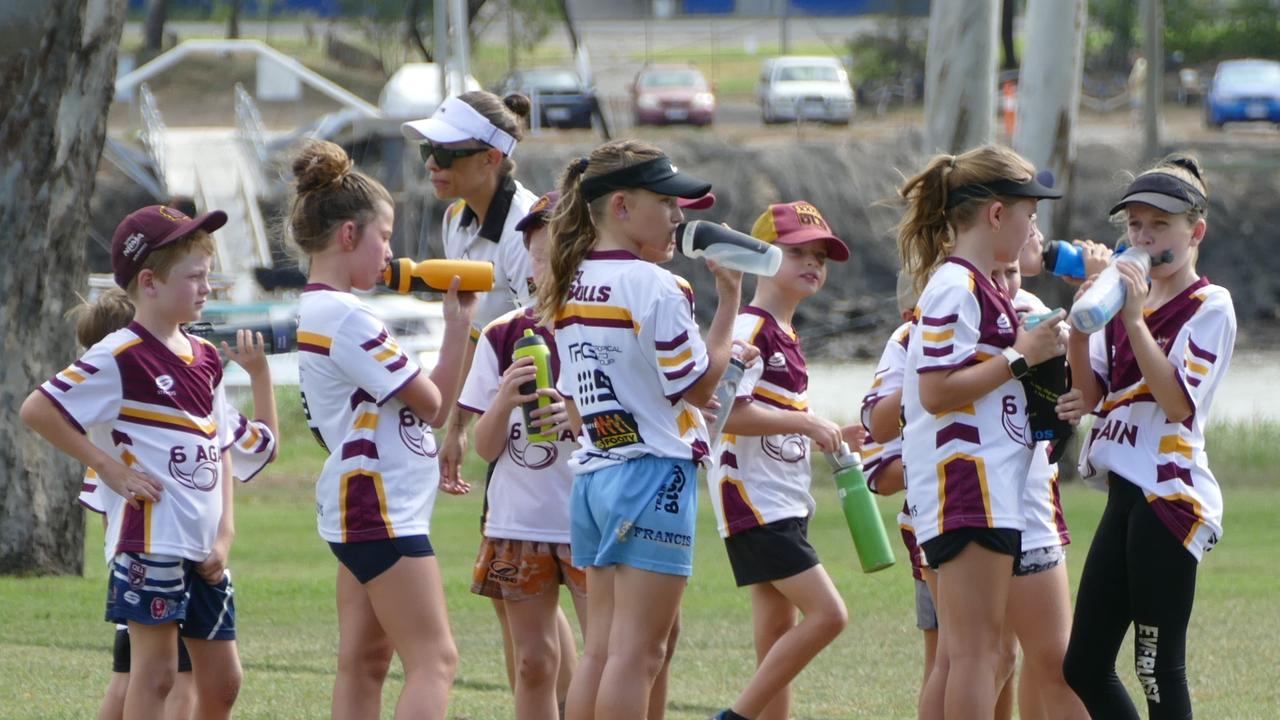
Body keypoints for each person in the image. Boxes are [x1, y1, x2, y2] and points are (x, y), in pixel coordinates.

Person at [535, 140, 742, 720]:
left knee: (602, 651)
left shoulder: (568, 279)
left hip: (596, 476)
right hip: (653, 475)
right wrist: (729, 305)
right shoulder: (657, 286)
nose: (680, 215)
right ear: (622, 206)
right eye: (667, 203)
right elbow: (700, 388)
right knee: (640, 654)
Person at [20, 205, 242, 719]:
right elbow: (39, 409)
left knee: (225, 680)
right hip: (150, 543)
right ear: (150, 282)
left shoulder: (206, 357)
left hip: (202, 546)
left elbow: (219, 447)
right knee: (158, 674)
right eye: (195, 277)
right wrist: (109, 467)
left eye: (208, 275)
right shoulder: (119, 354)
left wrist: (224, 534)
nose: (206, 287)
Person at [287, 140, 476, 720]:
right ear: (349, 236)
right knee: (435, 660)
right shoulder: (349, 318)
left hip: (357, 503)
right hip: (380, 505)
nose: (390, 252)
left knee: (365, 662)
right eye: (384, 237)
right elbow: (436, 407)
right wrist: (458, 328)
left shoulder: (319, 309)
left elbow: (423, 405)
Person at [896, 145, 1066, 720]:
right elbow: (936, 390)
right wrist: (1022, 357)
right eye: (1030, 212)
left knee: (963, 656)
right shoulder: (956, 286)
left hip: (981, 487)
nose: (1034, 226)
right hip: (967, 486)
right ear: (997, 215)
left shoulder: (980, 286)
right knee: (977, 653)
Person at [1062, 154, 1235, 720]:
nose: (1143, 236)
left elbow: (1177, 402)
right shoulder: (1121, 305)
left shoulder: (1210, 305)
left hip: (1170, 498)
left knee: (1156, 668)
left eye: (1159, 225)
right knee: (1083, 665)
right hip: (1125, 494)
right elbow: (1090, 399)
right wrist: (1078, 324)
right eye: (1135, 224)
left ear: (1195, 232)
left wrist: (1135, 320)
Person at [70, 288, 279, 720]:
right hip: (158, 552)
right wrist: (260, 376)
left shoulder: (131, 422)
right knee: (174, 684)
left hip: (152, 552)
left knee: (131, 680)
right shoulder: (136, 404)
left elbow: (235, 447)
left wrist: (224, 534)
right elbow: (262, 443)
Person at [706, 201, 853, 720]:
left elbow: (782, 419)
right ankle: (736, 717)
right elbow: (725, 414)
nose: (813, 263)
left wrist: (833, 431)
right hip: (755, 501)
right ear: (762, 257)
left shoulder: (785, 334)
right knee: (830, 615)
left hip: (783, 499)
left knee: (775, 634)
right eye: (797, 252)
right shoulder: (751, 329)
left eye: (820, 255)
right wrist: (806, 423)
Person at [458, 190, 587, 720]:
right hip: (518, 523)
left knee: (603, 653)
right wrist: (505, 399)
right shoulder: (502, 333)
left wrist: (576, 419)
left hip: (586, 518)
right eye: (533, 252)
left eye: (554, 249)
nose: (542, 263)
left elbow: (631, 428)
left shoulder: (600, 328)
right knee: (534, 661)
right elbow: (485, 449)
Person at [989, 255, 1090, 720]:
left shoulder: (1036, 314)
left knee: (1052, 660)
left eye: (1010, 271)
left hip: (1031, 506)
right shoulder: (948, 308)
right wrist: (1015, 356)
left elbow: (1066, 405)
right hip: (964, 507)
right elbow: (922, 402)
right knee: (969, 658)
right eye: (992, 272)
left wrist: (1069, 403)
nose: (1004, 283)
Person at [859, 272, 941, 712]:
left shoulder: (1020, 322)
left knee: (1002, 657)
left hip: (1019, 519)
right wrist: (940, 458)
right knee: (951, 657)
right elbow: (882, 474)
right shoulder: (908, 343)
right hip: (937, 524)